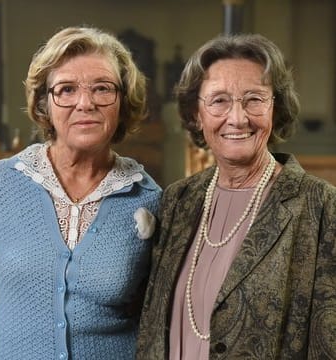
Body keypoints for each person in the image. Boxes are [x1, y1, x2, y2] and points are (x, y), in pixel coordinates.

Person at [136, 33, 336, 359]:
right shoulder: (177, 201)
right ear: (196, 115)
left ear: (277, 108)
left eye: (254, 99)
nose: (237, 118)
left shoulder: (321, 208)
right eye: (219, 100)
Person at [0, 26, 162, 359]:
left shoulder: (148, 199)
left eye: (102, 89)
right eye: (66, 90)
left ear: (122, 102)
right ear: (44, 103)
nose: (85, 103)